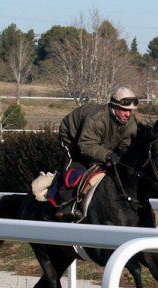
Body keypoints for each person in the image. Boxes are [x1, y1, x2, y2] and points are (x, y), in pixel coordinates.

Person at [48, 86, 140, 221]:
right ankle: (64, 207)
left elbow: (126, 144)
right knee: (77, 170)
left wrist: (118, 155)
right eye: (124, 110)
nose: (127, 114)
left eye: (130, 111)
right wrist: (107, 155)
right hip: (73, 139)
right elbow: (86, 145)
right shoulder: (97, 119)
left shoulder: (131, 123)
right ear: (113, 106)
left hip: (101, 144)